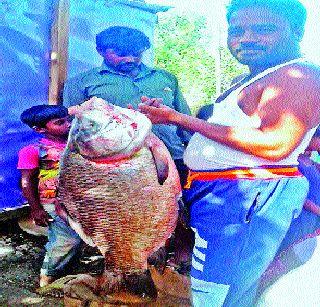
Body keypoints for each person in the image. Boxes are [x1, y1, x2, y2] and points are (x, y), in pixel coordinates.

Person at [138, 0, 320, 305]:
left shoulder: (298, 76)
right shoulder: (256, 77)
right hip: (226, 196)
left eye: (263, 30)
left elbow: (275, 144)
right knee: (222, 286)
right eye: (237, 30)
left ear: (297, 31)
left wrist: (177, 118)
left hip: (246, 198)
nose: (246, 38)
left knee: (220, 293)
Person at [63, 26, 193, 268]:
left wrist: (193, 152)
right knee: (127, 215)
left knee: (183, 212)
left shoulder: (165, 78)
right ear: (100, 50)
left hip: (173, 157)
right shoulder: (82, 83)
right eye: (121, 53)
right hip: (117, 170)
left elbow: (182, 117)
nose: (130, 59)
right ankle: (131, 260)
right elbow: (74, 130)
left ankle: (181, 262)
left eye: (137, 53)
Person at [17, 105, 82, 287]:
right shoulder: (33, 150)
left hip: (79, 202)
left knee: (79, 237)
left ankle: (68, 268)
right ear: (39, 129)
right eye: (60, 122)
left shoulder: (77, 145)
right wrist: (36, 209)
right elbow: (26, 181)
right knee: (66, 239)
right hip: (53, 203)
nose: (68, 125)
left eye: (68, 120)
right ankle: (48, 277)